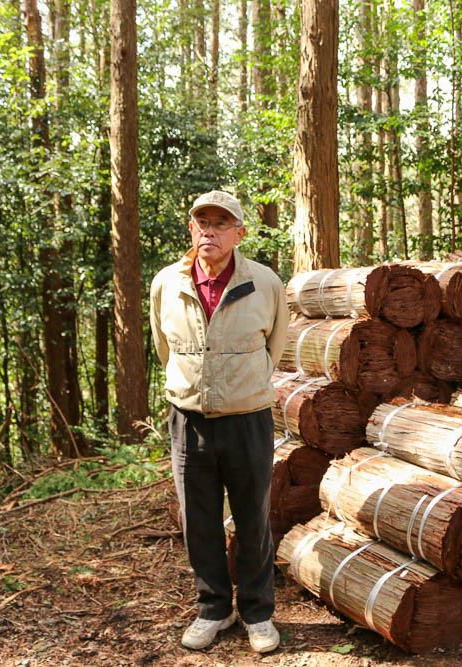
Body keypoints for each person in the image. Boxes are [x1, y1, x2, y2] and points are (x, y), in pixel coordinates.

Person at [149, 190, 289, 653]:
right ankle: (213, 608)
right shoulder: (167, 283)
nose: (209, 230)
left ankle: (257, 613)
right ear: (191, 229)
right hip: (188, 420)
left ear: (239, 233)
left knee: (253, 519)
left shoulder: (265, 282)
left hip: (247, 418)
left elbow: (275, 346)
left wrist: (244, 386)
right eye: (201, 222)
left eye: (221, 223)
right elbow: (163, 348)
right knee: (199, 520)